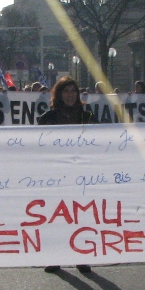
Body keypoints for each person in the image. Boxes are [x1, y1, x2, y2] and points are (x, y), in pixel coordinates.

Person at [38, 76, 94, 274]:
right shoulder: (47, 118)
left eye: (73, 91)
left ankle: (81, 256)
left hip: (81, 174)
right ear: (59, 94)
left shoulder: (88, 116)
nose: (70, 95)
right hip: (56, 174)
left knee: (80, 215)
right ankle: (55, 257)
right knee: (56, 216)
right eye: (66, 91)